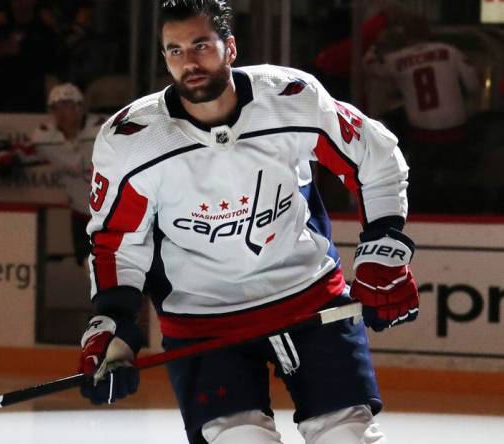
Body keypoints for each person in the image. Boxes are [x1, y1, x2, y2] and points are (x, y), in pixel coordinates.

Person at [76, 2, 419, 444]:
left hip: (309, 297)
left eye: (201, 45)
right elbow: (117, 242)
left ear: (230, 47)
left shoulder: (291, 98)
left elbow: (377, 159)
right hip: (203, 320)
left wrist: (383, 248)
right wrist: (113, 322)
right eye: (175, 50)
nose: (189, 61)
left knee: (348, 437)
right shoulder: (130, 141)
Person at [364, 21, 480, 212]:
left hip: (422, 137)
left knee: (420, 194)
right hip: (455, 133)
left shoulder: (397, 59)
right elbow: (474, 85)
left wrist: (376, 44)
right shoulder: (450, 52)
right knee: (460, 191)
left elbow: (369, 66)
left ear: (406, 38)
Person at [31, 83, 103, 266]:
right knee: (90, 269)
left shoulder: (104, 130)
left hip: (114, 214)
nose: (62, 113)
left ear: (80, 107)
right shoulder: (45, 138)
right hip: (82, 214)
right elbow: (23, 151)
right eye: (56, 108)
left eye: (68, 106)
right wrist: (2, 156)